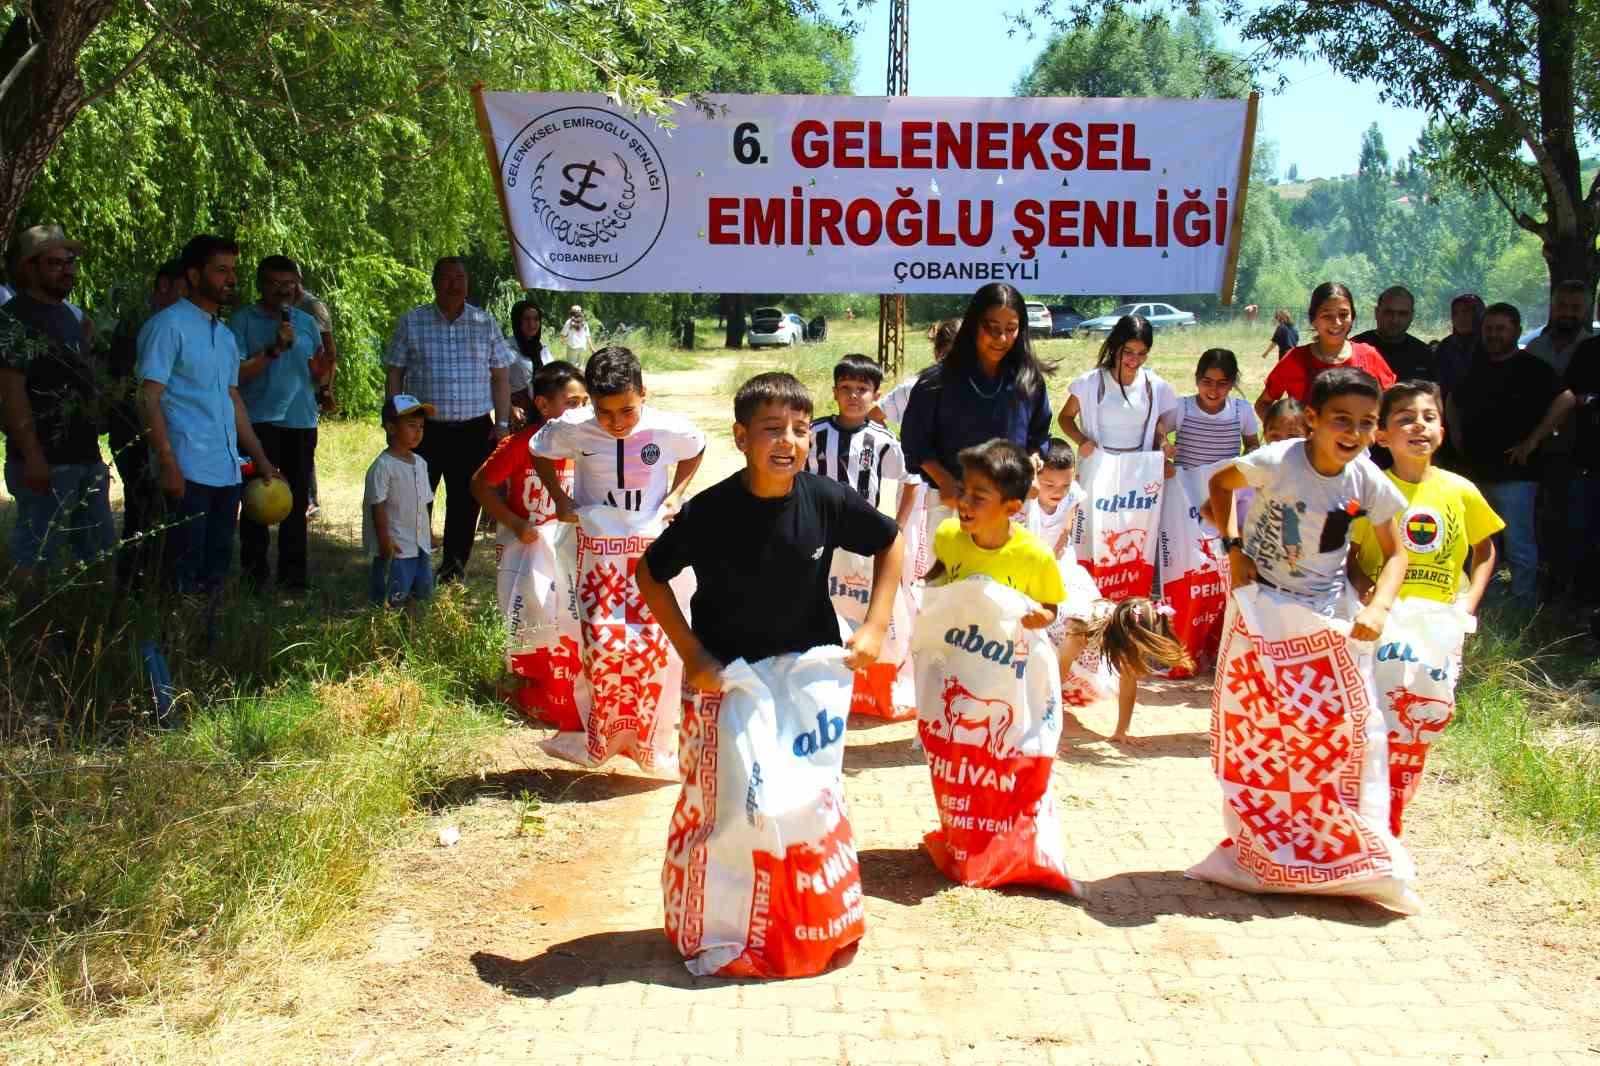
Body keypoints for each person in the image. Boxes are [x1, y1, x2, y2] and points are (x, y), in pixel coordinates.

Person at [635, 372, 904, 692]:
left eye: (800, 430)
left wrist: (875, 625)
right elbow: (649, 574)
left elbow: (891, 540)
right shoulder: (708, 513)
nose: (788, 440)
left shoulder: (828, 498)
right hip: (725, 679)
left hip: (808, 675)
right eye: (773, 428)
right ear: (741, 437)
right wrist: (692, 653)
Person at [1208, 367, 1408, 636]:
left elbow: (1395, 552)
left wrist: (1380, 607)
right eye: (1342, 419)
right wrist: (1234, 549)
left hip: (1327, 608)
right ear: (1313, 418)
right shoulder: (1276, 460)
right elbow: (1219, 484)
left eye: (1367, 422)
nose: (1354, 432)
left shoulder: (1367, 480)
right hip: (1260, 597)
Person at [136, 234, 281, 602]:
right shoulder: (168, 326)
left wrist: (260, 460)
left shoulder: (226, 336)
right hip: (186, 469)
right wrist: (167, 461)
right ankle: (171, 649)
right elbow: (147, 396)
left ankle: (204, 646)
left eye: (233, 271)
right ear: (194, 274)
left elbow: (231, 399)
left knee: (215, 567)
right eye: (221, 271)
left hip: (226, 471)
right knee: (179, 570)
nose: (230, 279)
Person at [0, 225, 117, 600]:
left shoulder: (67, 315)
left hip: (84, 458)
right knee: (35, 554)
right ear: (29, 268)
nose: (68, 270)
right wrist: (33, 456)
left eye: (70, 262)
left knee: (98, 551)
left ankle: (89, 631)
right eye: (55, 263)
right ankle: (29, 636)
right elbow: (12, 391)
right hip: (45, 463)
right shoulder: (14, 318)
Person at [384, 256, 514, 582]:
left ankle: (452, 573)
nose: (455, 284)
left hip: (474, 430)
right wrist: (394, 421)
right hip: (423, 430)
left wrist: (501, 425)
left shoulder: (485, 323)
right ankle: (412, 570)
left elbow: (500, 377)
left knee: (465, 503)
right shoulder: (412, 322)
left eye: (460, 278)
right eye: (447, 278)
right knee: (414, 500)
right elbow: (395, 373)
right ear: (434, 282)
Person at [901, 284, 1054, 548]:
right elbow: (915, 443)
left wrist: (1032, 467)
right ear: (973, 324)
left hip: (1011, 508)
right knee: (950, 587)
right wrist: (945, 481)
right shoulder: (936, 384)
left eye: (1011, 329)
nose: (1001, 339)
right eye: (992, 328)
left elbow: (1038, 435)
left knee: (1009, 588)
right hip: (955, 506)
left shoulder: (1028, 382)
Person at [1446, 302, 1561, 611]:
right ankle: (1487, 605)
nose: (1494, 335)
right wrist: (1456, 440)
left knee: (1520, 544)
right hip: (1475, 474)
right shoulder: (1474, 368)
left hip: (1517, 475)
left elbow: (1563, 401)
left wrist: (1532, 442)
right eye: (1489, 329)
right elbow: (1452, 401)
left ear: (1516, 331)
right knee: (1482, 544)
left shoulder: (1535, 369)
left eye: (1501, 329)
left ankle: (1523, 606)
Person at [1348, 381, 1501, 613]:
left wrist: (1471, 599)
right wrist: (1364, 587)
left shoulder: (1462, 489)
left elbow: (1485, 548)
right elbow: (1345, 552)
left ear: (1440, 433)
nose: (1419, 424)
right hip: (1379, 615)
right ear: (1381, 437)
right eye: (1406, 419)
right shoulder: (1365, 491)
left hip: (1441, 619)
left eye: (1429, 418)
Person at [229, 255, 322, 593]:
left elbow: (317, 370)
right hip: (257, 424)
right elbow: (234, 376)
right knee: (257, 499)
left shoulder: (307, 323)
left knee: (296, 501)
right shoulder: (241, 322)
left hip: (301, 422)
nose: (285, 291)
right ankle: (254, 576)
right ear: (260, 285)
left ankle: (293, 577)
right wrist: (273, 350)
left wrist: (324, 377)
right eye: (276, 284)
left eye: (290, 284)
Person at [529, 346, 705, 522]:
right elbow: (537, 449)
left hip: (649, 537)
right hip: (593, 538)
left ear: (643, 393)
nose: (617, 422)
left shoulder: (665, 427)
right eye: (604, 412)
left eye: (627, 410)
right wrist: (560, 499)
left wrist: (675, 495)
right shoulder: (573, 426)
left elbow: (697, 446)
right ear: (591, 399)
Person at [924, 438, 1064, 629]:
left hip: (1002, 652)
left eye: (979, 497)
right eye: (962, 490)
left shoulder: (1037, 556)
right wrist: (924, 584)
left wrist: (1043, 618)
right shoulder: (947, 533)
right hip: (954, 645)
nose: (964, 501)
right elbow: (941, 570)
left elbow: (1050, 607)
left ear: (1011, 508)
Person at [107, 258, 187, 587]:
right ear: (165, 285)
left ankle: (159, 580)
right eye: (186, 286)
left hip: (164, 429)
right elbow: (134, 385)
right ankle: (135, 584)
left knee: (166, 512)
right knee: (142, 509)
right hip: (134, 429)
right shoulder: (144, 321)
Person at [471, 360, 588, 544]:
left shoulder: (588, 446)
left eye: (584, 402)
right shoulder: (519, 445)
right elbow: (480, 485)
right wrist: (516, 524)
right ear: (542, 405)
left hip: (568, 548)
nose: (580, 410)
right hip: (525, 549)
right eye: (572, 403)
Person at [1255, 282, 1396, 426]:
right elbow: (1262, 404)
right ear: (1314, 320)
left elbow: (1393, 406)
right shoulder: (1295, 359)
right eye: (1327, 315)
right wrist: (1285, 438)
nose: (1336, 322)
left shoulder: (1368, 356)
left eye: (1343, 314)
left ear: (1353, 317)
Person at [808, 354, 915, 526]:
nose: (853, 395)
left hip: (863, 530)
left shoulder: (884, 440)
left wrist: (899, 527)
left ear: (876, 396)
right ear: (835, 393)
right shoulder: (812, 433)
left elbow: (911, 480)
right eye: (845, 388)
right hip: (817, 525)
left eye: (862, 389)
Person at [1059, 314, 1179, 461]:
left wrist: (1163, 443)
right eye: (1128, 352)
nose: (1135, 360)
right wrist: (1082, 440)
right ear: (1114, 348)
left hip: (1137, 469)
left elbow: (1156, 421)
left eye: (1142, 353)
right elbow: (1065, 417)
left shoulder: (1153, 386)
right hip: (1098, 467)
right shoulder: (1089, 383)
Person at [363, 395, 436, 611]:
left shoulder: (420, 463)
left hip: (419, 544)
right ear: (391, 428)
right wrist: (384, 540)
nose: (418, 432)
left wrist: (429, 534)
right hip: (397, 547)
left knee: (417, 593)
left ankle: (410, 635)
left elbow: (424, 503)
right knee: (391, 597)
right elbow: (378, 506)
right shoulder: (383, 467)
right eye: (411, 425)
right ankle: (387, 638)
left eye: (421, 426)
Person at [1172, 349, 1260, 469]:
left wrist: (1249, 456)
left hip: (1225, 486)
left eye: (1222, 383)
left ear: (1232, 384)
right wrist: (1164, 447)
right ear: (1197, 379)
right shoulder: (1181, 407)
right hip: (1184, 487)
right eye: (1207, 382)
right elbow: (1156, 434)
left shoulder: (1242, 410)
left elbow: (1252, 444)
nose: (1213, 390)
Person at [294, 277, 335, 519]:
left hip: (307, 389)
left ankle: (310, 500)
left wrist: (326, 389)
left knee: (303, 444)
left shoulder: (313, 307)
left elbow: (328, 351)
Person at [1352, 286, 1436, 383]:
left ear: (1412, 316)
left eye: (1402, 314)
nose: (1395, 320)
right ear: (1376, 313)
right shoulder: (1355, 348)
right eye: (1388, 313)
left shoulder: (1423, 353)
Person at [1024, 438, 1085, 558]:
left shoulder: (1072, 492)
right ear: (1035, 477)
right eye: (1050, 485)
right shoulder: (1028, 500)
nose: (1058, 492)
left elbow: (1067, 527)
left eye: (1066, 485)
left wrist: (1055, 554)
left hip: (1057, 555)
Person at [1526, 280, 1596, 377]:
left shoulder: (1595, 351)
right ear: (1552, 308)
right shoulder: (1534, 348)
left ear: (1586, 312)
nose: (1568, 313)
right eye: (1561, 306)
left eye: (1576, 308)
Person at [1433, 292, 1485, 402]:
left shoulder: (1489, 343)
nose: (1460, 318)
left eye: (1466, 312)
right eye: (1455, 313)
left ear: (1478, 314)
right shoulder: (1445, 346)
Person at [508, 299, 549, 418]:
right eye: (526, 319)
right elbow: (496, 384)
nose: (532, 324)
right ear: (517, 321)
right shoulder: (506, 349)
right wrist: (510, 408)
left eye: (536, 319)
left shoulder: (543, 349)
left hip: (543, 411)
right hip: (519, 414)